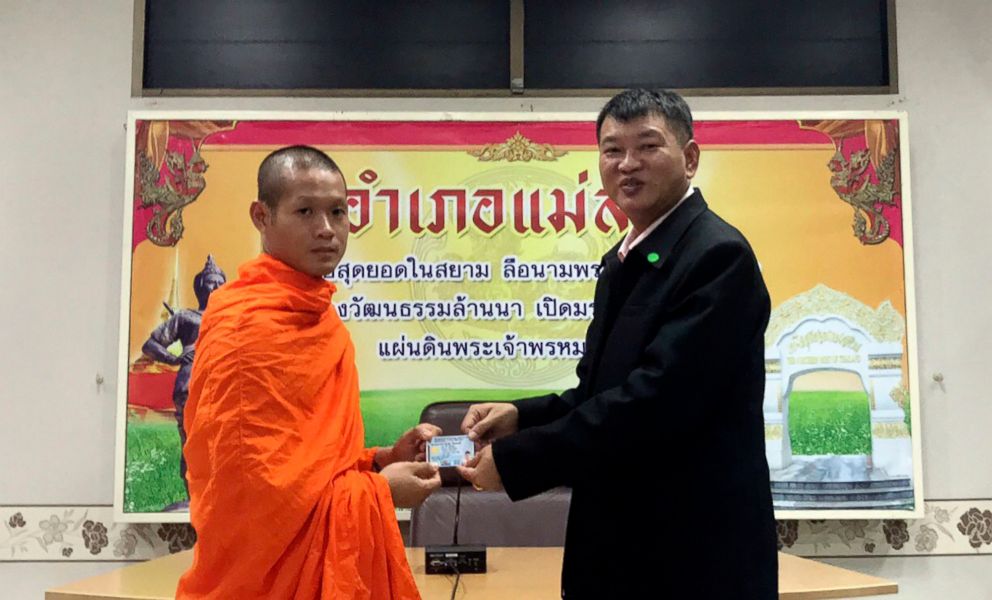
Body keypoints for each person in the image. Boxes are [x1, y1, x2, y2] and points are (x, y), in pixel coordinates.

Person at [458, 89, 778, 599]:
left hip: (691, 559)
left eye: (648, 147)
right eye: (612, 150)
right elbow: (600, 391)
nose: (627, 165)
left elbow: (655, 404)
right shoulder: (625, 260)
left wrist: (519, 460)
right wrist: (522, 416)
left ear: (690, 158)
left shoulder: (717, 257)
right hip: (621, 551)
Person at [177, 145, 441, 599]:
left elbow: (312, 465)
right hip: (260, 583)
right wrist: (378, 491)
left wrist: (380, 460)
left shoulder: (323, 320)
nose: (326, 230)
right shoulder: (243, 327)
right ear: (262, 217)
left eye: (337, 211)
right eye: (305, 211)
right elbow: (257, 498)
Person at [141, 255, 226, 502]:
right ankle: (194, 497)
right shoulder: (186, 318)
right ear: (201, 287)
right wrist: (172, 358)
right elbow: (150, 344)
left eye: (220, 282)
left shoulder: (231, 319)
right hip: (190, 384)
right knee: (191, 442)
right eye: (211, 282)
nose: (216, 287)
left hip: (223, 387)